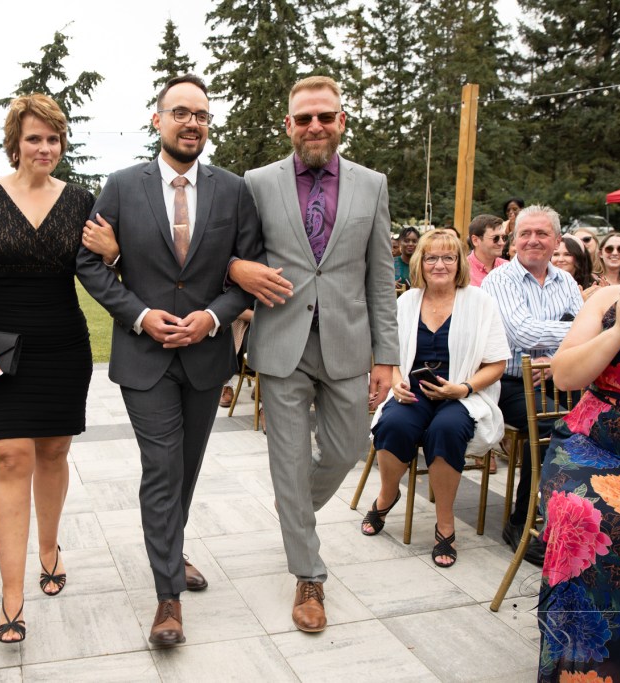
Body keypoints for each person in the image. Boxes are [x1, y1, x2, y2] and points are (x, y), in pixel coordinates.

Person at [77, 74, 264, 645]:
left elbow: (248, 270)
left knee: (186, 466)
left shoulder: (233, 190)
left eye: (201, 115)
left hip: (206, 356)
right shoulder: (120, 186)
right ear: (157, 120)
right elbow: (88, 263)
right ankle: (167, 598)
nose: (191, 123)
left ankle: (171, 551)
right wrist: (139, 315)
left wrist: (213, 318)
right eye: (180, 112)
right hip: (144, 356)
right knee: (162, 467)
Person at [229, 75, 397, 632]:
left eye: (325, 116)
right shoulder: (258, 183)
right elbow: (232, 252)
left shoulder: (372, 185)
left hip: (349, 344)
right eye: (304, 118)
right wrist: (238, 268)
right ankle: (309, 576)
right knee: (288, 461)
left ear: (342, 121)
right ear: (289, 125)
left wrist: (386, 356)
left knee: (348, 449)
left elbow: (380, 277)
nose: (315, 126)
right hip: (282, 343)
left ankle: (294, 508)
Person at [0, 93, 96, 644]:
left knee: (54, 451)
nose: (44, 147)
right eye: (34, 138)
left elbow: (103, 268)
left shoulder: (81, 200)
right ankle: (11, 595)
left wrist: (111, 251)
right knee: (10, 457)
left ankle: (49, 546)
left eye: (53, 138)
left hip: (63, 343)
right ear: (14, 143)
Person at [536, 188, 620, 680]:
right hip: (591, 443)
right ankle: (585, 668)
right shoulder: (606, 299)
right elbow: (565, 375)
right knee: (585, 515)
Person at [364, 230, 508, 567]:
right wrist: (396, 384)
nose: (439, 264)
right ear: (420, 262)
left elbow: (497, 363)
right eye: (431, 258)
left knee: (446, 430)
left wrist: (464, 388)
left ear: (459, 263)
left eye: (448, 257)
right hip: (413, 390)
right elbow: (389, 356)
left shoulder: (480, 302)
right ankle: (387, 495)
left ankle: (445, 522)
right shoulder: (406, 302)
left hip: (462, 393)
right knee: (393, 424)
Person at [482, 205, 583, 565]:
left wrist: (554, 359)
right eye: (525, 233)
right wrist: (573, 331)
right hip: (507, 382)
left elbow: (587, 335)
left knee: (595, 424)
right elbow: (522, 333)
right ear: (513, 240)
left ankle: (578, 519)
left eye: (542, 233)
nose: (533, 240)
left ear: (557, 240)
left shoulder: (566, 281)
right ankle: (522, 522)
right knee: (556, 426)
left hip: (558, 377)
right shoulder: (500, 280)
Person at [552, 234, 598, 300]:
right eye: (556, 254)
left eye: (567, 254)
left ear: (579, 258)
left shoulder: (593, 287)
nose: (560, 259)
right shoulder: (542, 285)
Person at [467, 214, 508, 286]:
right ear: (475, 240)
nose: (501, 243)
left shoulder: (508, 268)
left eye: (504, 237)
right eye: (495, 238)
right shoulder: (460, 269)